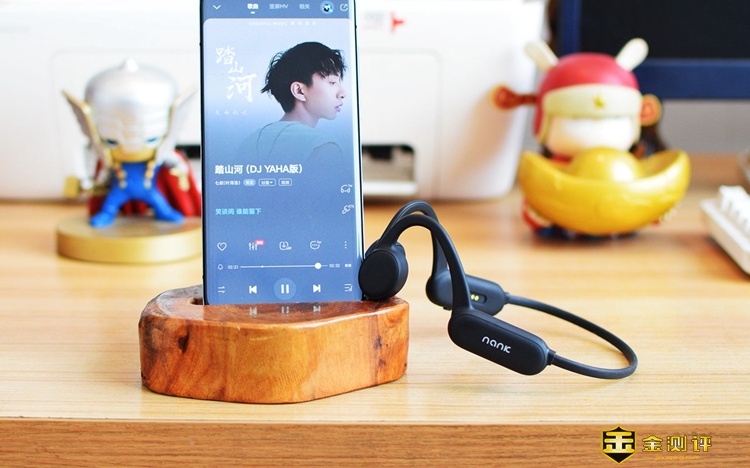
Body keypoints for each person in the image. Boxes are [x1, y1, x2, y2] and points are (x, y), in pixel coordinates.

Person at [238, 41, 348, 164]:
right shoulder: (323, 147)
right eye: (332, 82)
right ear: (299, 91)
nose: (343, 93)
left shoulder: (249, 143)